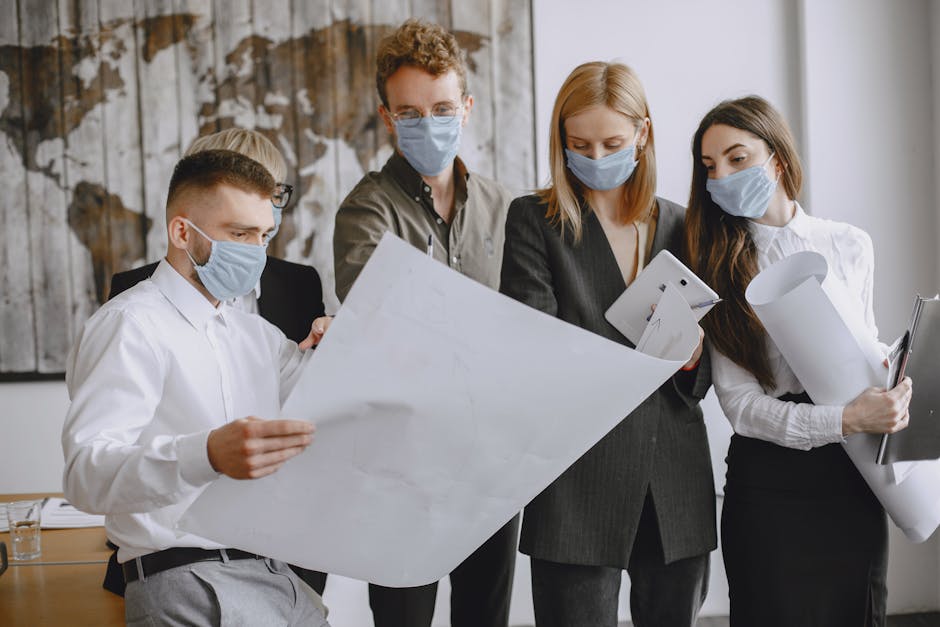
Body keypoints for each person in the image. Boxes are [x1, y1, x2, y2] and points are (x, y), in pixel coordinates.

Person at [62, 149, 330, 626]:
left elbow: (326, 404)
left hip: (278, 577)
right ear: (182, 232)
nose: (256, 251)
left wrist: (341, 352)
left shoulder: (256, 336)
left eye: (264, 235)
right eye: (239, 234)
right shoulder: (130, 325)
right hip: (186, 584)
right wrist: (205, 454)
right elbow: (86, 475)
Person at [499, 61, 715, 627]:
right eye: (580, 144)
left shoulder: (683, 224)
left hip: (674, 481)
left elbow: (702, 374)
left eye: (613, 143)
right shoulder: (534, 221)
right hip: (578, 478)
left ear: (642, 133)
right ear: (561, 142)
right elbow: (534, 348)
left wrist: (693, 358)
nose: (596, 158)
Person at [684, 95, 913, 627]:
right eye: (710, 166)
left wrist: (892, 380)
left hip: (853, 479)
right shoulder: (714, 265)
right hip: (769, 490)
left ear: (778, 159)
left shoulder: (850, 244)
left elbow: (864, 345)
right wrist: (847, 418)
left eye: (737, 159)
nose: (721, 176)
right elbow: (741, 407)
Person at [332, 18, 518, 627]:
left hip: (490, 458)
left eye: (441, 108)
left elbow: (526, 324)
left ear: (465, 107)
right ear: (387, 117)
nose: (427, 123)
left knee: (483, 617)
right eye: (409, 112)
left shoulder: (505, 208)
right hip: (401, 466)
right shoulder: (365, 211)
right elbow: (382, 326)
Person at [110, 128, 327, 345]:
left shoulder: (297, 290)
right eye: (245, 192)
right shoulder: (129, 313)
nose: (264, 209)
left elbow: (300, 365)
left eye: (274, 194)